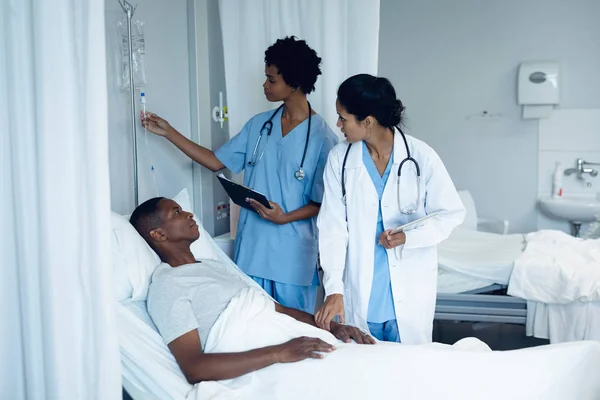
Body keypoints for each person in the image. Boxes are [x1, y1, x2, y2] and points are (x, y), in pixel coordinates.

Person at [141, 36, 338, 314]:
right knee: (251, 326)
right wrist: (169, 132)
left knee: (295, 331)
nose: (265, 85)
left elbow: (323, 203)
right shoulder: (259, 125)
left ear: (293, 83)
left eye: (271, 80)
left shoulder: (322, 138)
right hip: (252, 250)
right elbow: (215, 161)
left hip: (292, 258)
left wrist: (285, 217)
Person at [129, 197, 374, 384]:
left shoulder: (212, 267)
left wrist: (332, 326)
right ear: (158, 234)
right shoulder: (168, 286)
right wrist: (281, 352)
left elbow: (276, 310)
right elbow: (195, 367)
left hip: (292, 339)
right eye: (177, 213)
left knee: (378, 364)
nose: (189, 214)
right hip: (270, 360)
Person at [314, 74, 466, 344]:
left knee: (408, 374)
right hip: (361, 291)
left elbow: (451, 213)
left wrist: (410, 237)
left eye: (343, 118)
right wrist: (334, 289)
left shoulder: (422, 156)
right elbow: (332, 228)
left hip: (409, 289)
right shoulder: (340, 158)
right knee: (364, 372)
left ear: (367, 122)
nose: (338, 125)